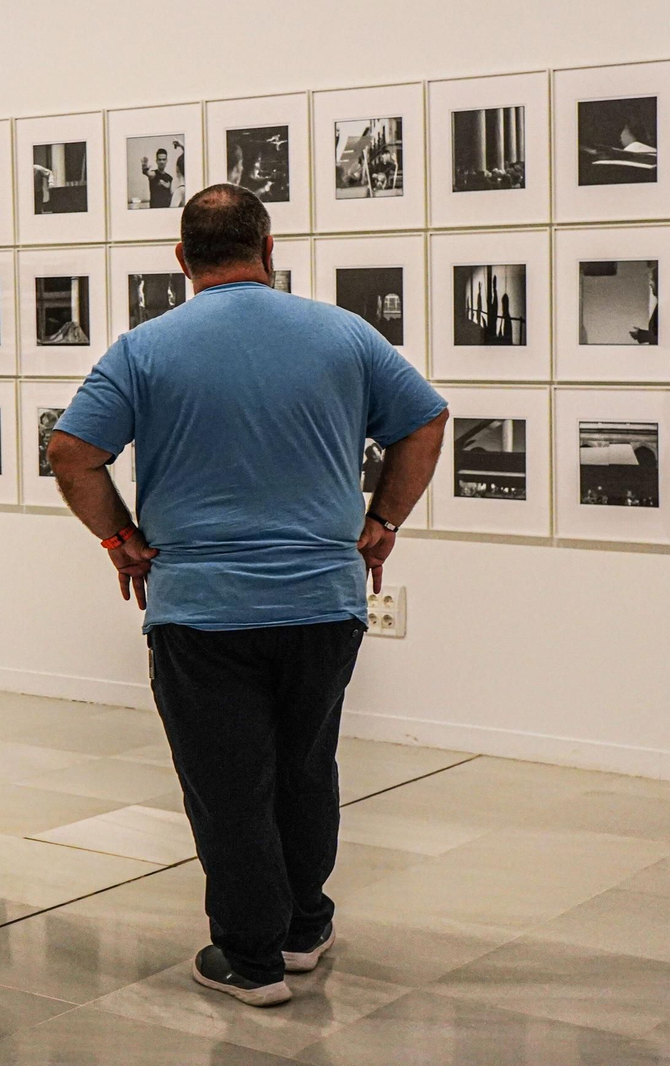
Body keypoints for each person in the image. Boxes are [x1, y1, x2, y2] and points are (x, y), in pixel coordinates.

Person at [48, 183, 447, 1008]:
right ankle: (304, 928)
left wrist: (119, 541)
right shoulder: (344, 334)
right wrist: (383, 522)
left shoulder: (144, 349)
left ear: (181, 259)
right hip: (324, 604)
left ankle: (250, 956)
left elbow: (71, 452)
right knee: (306, 767)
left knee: (229, 784)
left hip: (201, 609)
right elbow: (426, 420)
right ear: (269, 251)